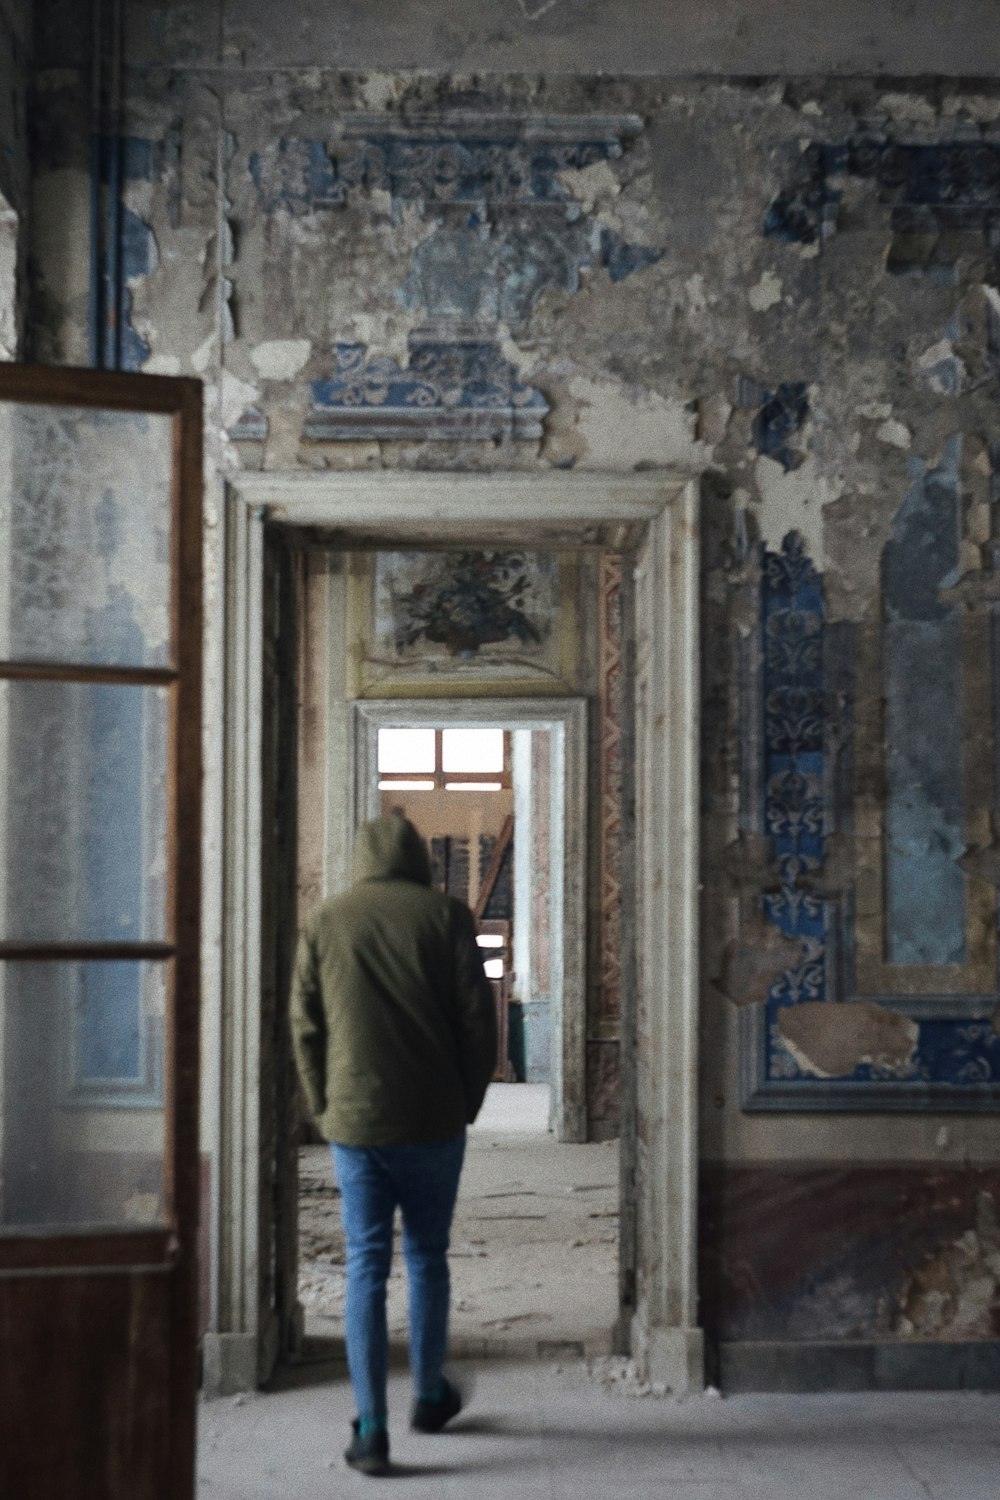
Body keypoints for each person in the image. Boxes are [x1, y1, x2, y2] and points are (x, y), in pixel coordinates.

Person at [290, 813, 498, 1476]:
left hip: (356, 1125)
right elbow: (477, 1020)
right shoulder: (447, 917)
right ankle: (430, 1394)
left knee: (365, 1267)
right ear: (418, 860)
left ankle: (371, 1427)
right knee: (429, 1258)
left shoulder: (328, 919)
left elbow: (305, 1026)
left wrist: (325, 1106)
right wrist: (467, 1101)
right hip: (434, 1121)